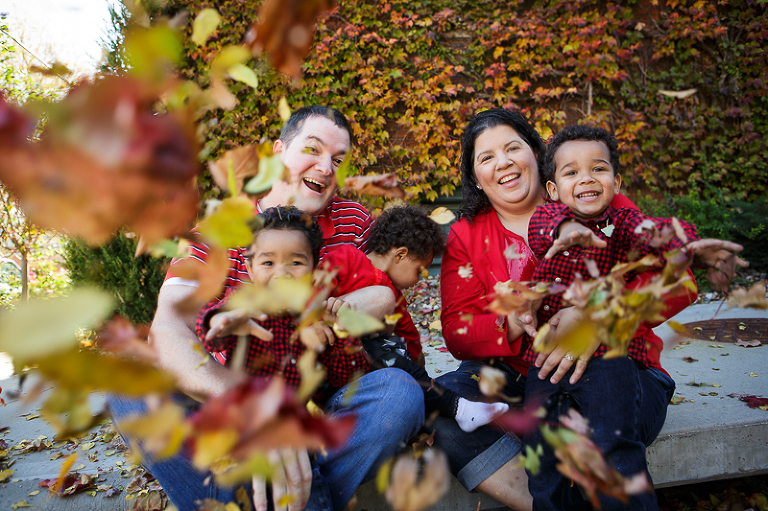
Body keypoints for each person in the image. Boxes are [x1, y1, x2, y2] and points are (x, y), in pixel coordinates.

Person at [108, 106, 425, 511]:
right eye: (313, 149)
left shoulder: (353, 219)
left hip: (326, 391)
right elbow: (168, 326)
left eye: (338, 160)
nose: (326, 168)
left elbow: (383, 298)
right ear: (278, 152)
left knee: (399, 393)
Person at [434, 108, 744, 511]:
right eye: (487, 157)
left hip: (615, 366)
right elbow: (457, 331)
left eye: (514, 148)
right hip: (527, 375)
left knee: (585, 425)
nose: (504, 162)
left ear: (535, 154)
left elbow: (677, 280)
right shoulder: (467, 233)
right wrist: (510, 321)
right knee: (448, 411)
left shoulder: (591, 194)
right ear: (476, 177)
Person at [521, 124, 748, 511]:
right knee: (542, 457)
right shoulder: (546, 221)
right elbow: (543, 230)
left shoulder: (623, 225)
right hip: (547, 365)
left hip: (611, 360)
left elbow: (656, 234)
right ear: (554, 190)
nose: (587, 178)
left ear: (616, 180)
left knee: (613, 446)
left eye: (598, 169)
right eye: (571, 172)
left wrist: (690, 247)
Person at [319, 203, 509, 432]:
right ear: (400, 255)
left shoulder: (397, 301)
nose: (419, 279)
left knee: (400, 362)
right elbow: (315, 285)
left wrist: (417, 366)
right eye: (419, 270)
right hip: (327, 352)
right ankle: (459, 408)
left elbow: (411, 343)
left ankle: (450, 410)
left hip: (359, 370)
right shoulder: (346, 258)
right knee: (387, 351)